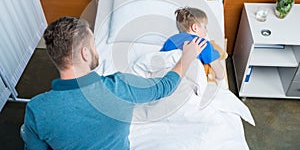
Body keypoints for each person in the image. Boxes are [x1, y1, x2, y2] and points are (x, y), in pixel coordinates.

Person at [21, 16, 207, 150]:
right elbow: (164, 87)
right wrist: (186, 58)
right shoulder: (121, 87)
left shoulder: (37, 109)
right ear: (85, 53)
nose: (96, 50)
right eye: (94, 44)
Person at [160, 7, 225, 84]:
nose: (206, 30)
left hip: (167, 79)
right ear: (195, 27)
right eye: (204, 26)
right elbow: (220, 74)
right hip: (188, 83)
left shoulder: (170, 40)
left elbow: (161, 60)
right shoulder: (203, 44)